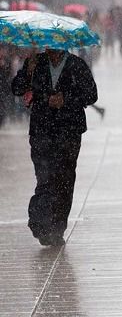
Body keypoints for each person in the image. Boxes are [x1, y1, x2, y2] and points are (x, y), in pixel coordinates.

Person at [11, 48, 98, 246]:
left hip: (69, 133)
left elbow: (91, 95)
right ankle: (40, 223)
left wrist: (65, 99)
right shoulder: (35, 63)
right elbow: (16, 88)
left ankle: (57, 228)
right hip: (42, 131)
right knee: (45, 179)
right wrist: (27, 72)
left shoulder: (77, 65)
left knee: (64, 180)